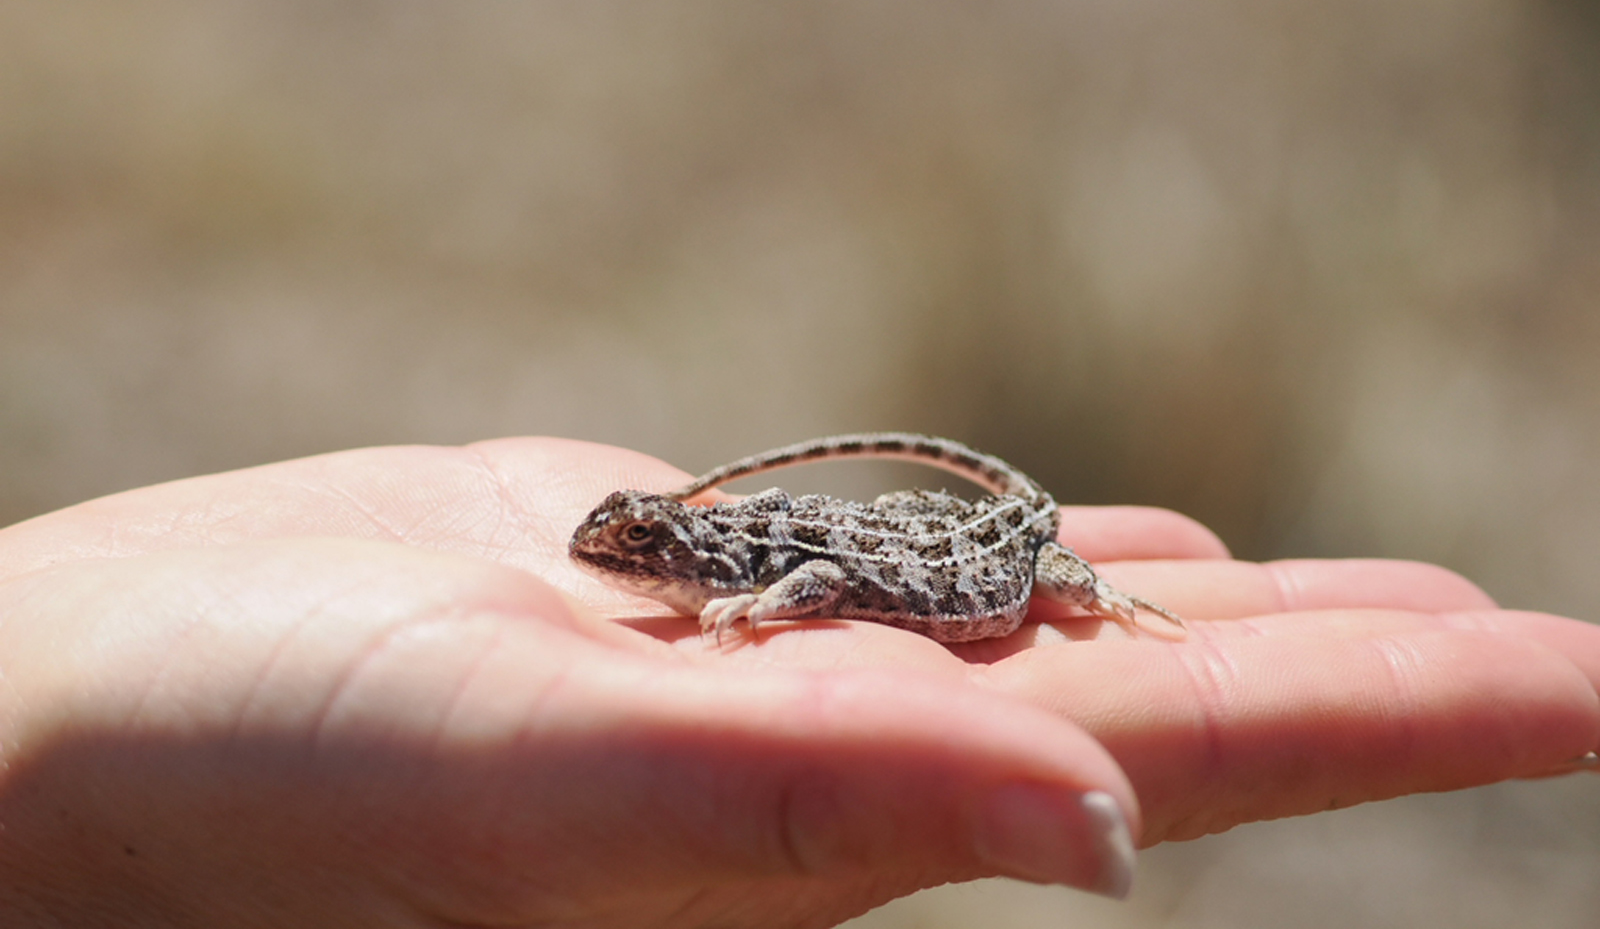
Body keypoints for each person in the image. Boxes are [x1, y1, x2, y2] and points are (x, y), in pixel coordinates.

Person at [0, 437, 1593, 927]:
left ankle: (1094, 577)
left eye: (639, 552)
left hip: (989, 573)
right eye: (632, 553)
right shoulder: (710, 549)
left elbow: (829, 572)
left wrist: (758, 609)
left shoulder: (773, 563)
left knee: (1064, 573)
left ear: (678, 550)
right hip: (857, 543)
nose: (623, 570)